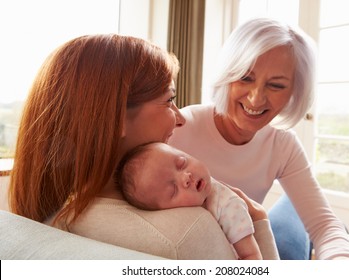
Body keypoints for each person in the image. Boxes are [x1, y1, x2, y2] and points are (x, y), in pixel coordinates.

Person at [8, 34, 279, 259]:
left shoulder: (53, 214)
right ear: (115, 120)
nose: (181, 117)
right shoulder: (187, 233)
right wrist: (261, 223)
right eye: (168, 100)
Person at [169, 18, 349, 260]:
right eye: (246, 78)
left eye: (276, 86)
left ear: (294, 92)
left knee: (303, 216)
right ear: (228, 74)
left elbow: (325, 226)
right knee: (287, 237)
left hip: (253, 235)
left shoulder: (283, 144)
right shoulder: (180, 127)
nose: (256, 99)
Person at [115, 142, 265, 260]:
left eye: (182, 163)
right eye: (173, 189)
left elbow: (252, 256)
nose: (186, 177)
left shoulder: (227, 204)